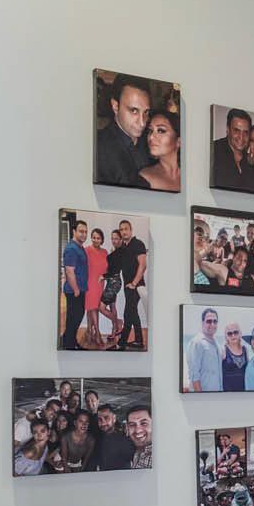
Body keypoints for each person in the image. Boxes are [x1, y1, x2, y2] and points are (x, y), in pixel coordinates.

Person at [95, 75, 153, 187]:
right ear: (115, 106)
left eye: (146, 112)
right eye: (134, 111)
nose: (142, 122)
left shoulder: (152, 141)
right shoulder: (98, 147)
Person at [110, 219, 147, 350]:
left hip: (136, 286)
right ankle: (138, 341)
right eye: (121, 229)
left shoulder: (138, 244)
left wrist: (134, 283)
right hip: (128, 286)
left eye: (126, 229)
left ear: (131, 230)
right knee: (133, 313)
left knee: (128, 314)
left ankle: (122, 342)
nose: (123, 231)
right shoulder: (124, 247)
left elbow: (143, 265)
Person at [60, 219, 89, 350]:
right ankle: (68, 345)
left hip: (80, 289)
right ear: (74, 231)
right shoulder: (71, 248)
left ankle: (69, 340)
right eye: (81, 231)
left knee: (76, 317)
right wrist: (76, 290)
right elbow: (69, 271)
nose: (84, 234)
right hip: (74, 291)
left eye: (85, 232)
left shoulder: (79, 247)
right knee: (74, 318)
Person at [85, 225, 117, 346]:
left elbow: (109, 268)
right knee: (92, 307)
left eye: (98, 238)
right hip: (89, 282)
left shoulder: (105, 252)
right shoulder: (86, 250)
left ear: (102, 240)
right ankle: (97, 333)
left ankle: (89, 331)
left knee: (93, 308)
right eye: (93, 237)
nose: (95, 240)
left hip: (100, 283)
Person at [138, 108, 181, 194]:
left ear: (179, 141)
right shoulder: (145, 177)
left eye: (161, 131)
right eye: (150, 131)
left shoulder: (192, 177)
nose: (151, 137)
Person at [183, 308, 223, 392]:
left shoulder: (216, 344)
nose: (212, 324)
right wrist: (200, 398)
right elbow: (194, 375)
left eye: (215, 321)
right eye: (209, 321)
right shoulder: (197, 342)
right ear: (202, 323)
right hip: (204, 398)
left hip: (216, 396)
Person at [212, 108, 250, 192]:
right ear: (228, 130)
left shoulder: (251, 161)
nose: (241, 137)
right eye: (237, 131)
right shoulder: (213, 151)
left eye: (245, 132)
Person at [91, 403, 133, 470]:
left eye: (106, 418)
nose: (103, 422)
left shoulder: (126, 436)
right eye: (99, 419)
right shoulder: (98, 436)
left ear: (114, 418)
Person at [219, 321, 250, 392]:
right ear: (226, 336)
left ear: (240, 334)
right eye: (229, 333)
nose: (233, 335)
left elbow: (249, 372)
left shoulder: (245, 350)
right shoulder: (223, 350)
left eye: (235, 332)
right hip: (228, 394)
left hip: (243, 391)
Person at [124, 404, 153, 469]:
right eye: (132, 425)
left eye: (144, 423)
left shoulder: (160, 457)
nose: (138, 430)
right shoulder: (138, 451)